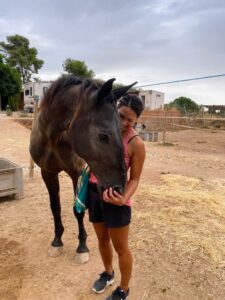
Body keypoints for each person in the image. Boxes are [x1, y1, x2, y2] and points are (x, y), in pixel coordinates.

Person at [87, 94, 146, 300]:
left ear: (136, 120)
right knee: (102, 240)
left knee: (121, 247)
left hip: (117, 198)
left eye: (130, 120)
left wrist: (123, 199)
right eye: (121, 116)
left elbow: (135, 179)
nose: (124, 122)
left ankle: (124, 288)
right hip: (95, 192)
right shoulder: (102, 130)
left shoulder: (135, 143)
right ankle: (108, 273)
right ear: (115, 110)